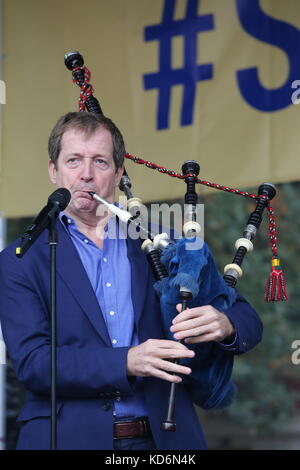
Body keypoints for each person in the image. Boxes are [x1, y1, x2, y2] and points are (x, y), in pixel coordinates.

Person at [0, 112, 262, 450]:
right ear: (54, 170)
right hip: (66, 439)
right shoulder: (21, 260)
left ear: (119, 171)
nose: (86, 175)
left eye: (101, 162)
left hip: (165, 440)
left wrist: (225, 322)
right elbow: (33, 364)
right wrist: (125, 361)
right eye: (74, 160)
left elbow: (249, 322)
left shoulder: (162, 243)